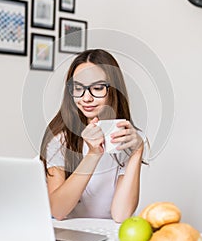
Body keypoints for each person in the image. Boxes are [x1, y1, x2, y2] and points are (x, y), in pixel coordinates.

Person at [40, 49, 148, 223]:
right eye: (78, 88)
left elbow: (121, 215)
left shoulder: (128, 138)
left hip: (109, 236)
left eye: (97, 88)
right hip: (70, 234)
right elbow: (58, 210)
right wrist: (93, 154)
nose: (86, 98)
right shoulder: (60, 138)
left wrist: (138, 150)